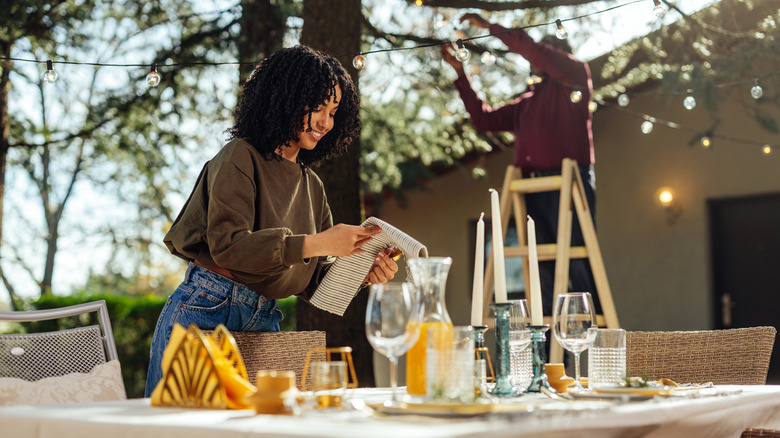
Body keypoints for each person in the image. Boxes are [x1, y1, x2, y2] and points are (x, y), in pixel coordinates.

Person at [145, 45, 398, 396]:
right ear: (287, 99)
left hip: (264, 318)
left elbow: (312, 284)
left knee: (266, 428)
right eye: (318, 107)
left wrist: (363, 275)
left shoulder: (312, 185)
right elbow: (229, 247)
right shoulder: (239, 157)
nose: (326, 122)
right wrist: (318, 242)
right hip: (207, 308)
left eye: (334, 111)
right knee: (177, 428)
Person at [442, 14, 600, 317]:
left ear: (561, 56)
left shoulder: (575, 75)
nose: (538, 58)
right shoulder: (525, 103)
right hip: (531, 189)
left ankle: (591, 350)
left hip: (569, 184)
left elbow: (535, 51)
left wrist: (491, 27)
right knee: (541, 272)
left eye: (547, 52)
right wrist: (461, 74)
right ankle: (553, 354)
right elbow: (483, 119)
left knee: (579, 268)